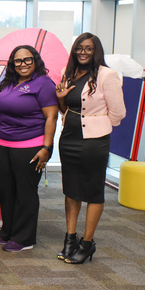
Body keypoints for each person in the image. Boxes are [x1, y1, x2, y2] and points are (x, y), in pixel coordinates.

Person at [0, 45, 58, 253]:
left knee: (25, 191)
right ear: (13, 63)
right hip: (4, 144)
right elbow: (1, 109)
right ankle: (9, 231)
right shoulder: (9, 83)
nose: (23, 64)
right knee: (5, 189)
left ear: (35, 60)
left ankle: (24, 238)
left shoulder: (43, 84)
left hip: (30, 145)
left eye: (27, 60)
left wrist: (46, 148)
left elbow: (51, 117)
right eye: (18, 61)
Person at [55, 33, 125, 264]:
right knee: (71, 189)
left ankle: (87, 243)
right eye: (79, 48)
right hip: (69, 138)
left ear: (96, 51)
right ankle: (70, 239)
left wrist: (98, 125)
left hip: (95, 142)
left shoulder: (108, 75)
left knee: (93, 190)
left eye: (89, 48)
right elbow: (64, 109)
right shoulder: (69, 74)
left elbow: (118, 114)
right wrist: (61, 99)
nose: (83, 52)